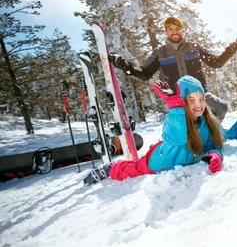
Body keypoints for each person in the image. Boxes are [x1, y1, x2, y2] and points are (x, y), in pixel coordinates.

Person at [84, 75, 224, 184]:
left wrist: (216, 154)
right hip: (162, 159)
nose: (198, 105)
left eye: (201, 99)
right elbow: (179, 138)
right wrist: (176, 108)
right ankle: (111, 168)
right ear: (182, 102)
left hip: (180, 156)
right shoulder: (175, 118)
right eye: (191, 100)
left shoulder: (211, 123)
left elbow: (216, 145)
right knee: (133, 169)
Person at [108, 16, 237, 122]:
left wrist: (230, 50)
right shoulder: (160, 53)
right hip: (177, 98)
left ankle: (212, 134)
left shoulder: (194, 48)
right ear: (166, 32)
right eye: (171, 29)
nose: (174, 32)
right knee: (187, 127)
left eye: (177, 28)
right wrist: (125, 66)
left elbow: (216, 62)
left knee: (221, 107)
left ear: (182, 30)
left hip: (199, 95)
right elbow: (145, 74)